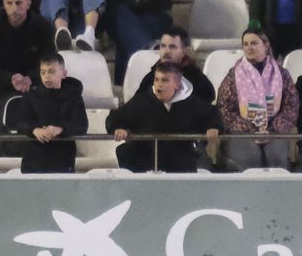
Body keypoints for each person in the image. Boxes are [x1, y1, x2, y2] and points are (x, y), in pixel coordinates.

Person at [108, 60, 220, 172]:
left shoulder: (190, 102)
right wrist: (118, 128)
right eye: (156, 80)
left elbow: (212, 115)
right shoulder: (142, 101)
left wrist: (213, 128)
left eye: (165, 80)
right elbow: (117, 117)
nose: (159, 84)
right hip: (146, 166)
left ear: (177, 84)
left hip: (180, 166)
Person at [217, 28, 299, 169]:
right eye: (246, 44)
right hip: (242, 132)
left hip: (274, 131)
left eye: (254, 43)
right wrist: (250, 130)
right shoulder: (233, 76)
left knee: (276, 158)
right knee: (248, 158)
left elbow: (291, 105)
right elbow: (224, 107)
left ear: (265, 45)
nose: (249, 47)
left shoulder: (281, 74)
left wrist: (273, 130)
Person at [2, 52, 88, 173]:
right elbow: (20, 121)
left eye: (51, 71)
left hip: (63, 158)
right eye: (43, 72)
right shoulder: (31, 96)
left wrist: (61, 129)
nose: (46, 76)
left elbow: (81, 125)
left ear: (63, 73)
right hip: (33, 157)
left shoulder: (74, 97)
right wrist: (34, 130)